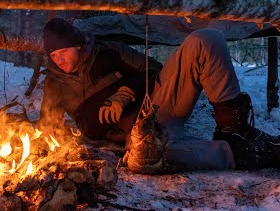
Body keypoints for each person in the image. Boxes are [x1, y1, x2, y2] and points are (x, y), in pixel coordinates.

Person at [38, 17, 280, 172]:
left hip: (156, 107)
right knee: (147, 158)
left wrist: (125, 92)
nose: (58, 60)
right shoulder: (54, 84)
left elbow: (154, 70)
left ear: (78, 46)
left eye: (63, 52)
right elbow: (48, 125)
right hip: (133, 137)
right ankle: (239, 153)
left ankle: (234, 130)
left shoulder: (109, 52)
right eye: (53, 55)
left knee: (206, 39)